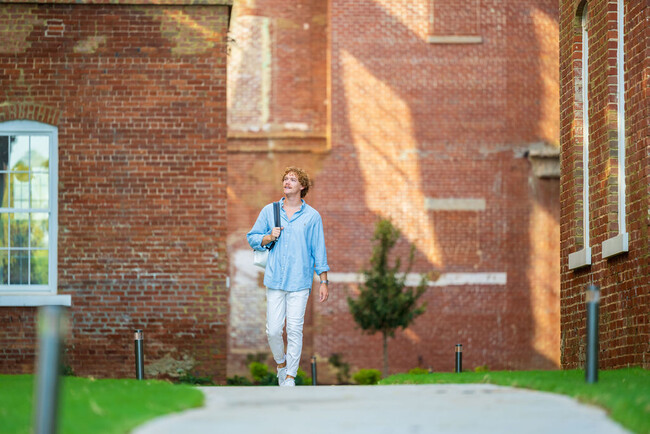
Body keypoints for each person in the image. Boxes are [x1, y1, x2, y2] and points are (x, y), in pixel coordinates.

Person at [247, 167, 329, 387]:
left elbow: (318, 250)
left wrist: (323, 281)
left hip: (300, 281)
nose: (288, 182)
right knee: (273, 330)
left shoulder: (312, 216)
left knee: (294, 329)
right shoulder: (269, 211)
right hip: (274, 279)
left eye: (293, 179)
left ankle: (291, 376)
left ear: (302, 186)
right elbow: (252, 237)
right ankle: (281, 365)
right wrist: (267, 236)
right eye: (285, 179)